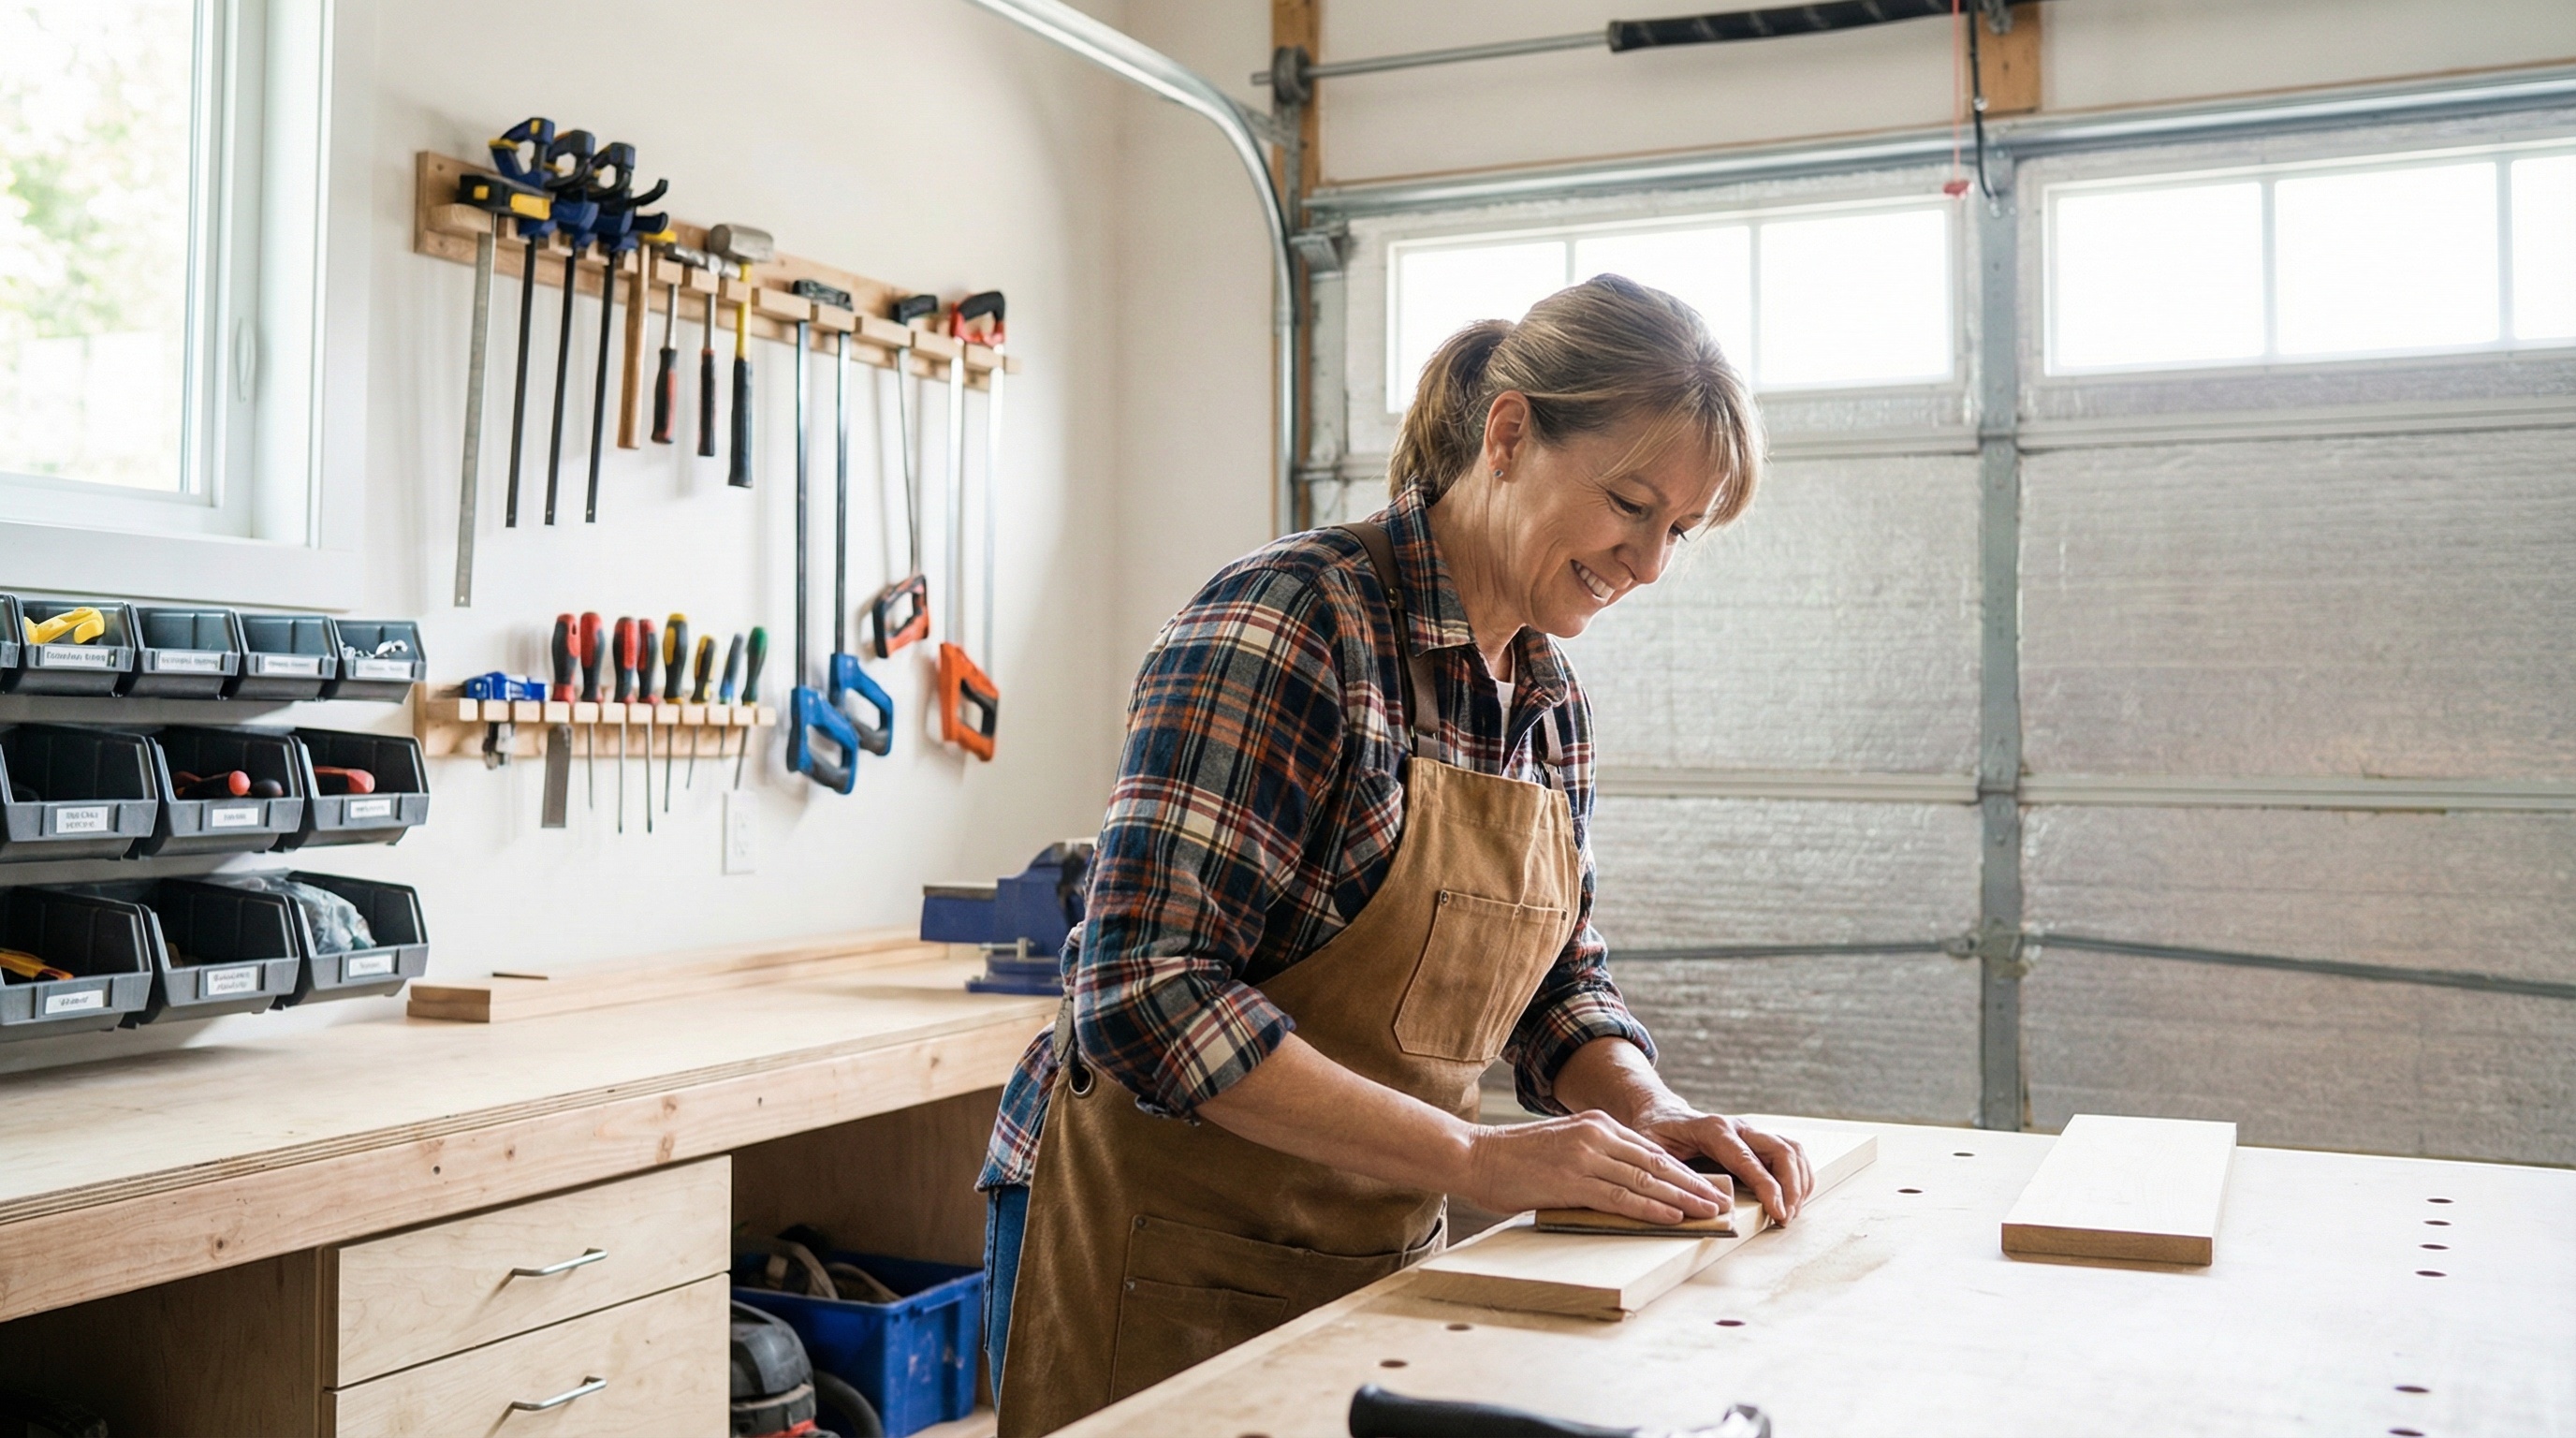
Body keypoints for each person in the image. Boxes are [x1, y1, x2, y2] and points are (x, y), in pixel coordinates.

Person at [978, 274, 1810, 1436]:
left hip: (1376, 1242)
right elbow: (1143, 992)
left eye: (1678, 532)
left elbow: (1559, 988)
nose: (1648, 564)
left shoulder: (1545, 698)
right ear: (1509, 433)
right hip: (1155, 1245)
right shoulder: (1292, 623)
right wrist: (1477, 1156)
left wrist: (1649, 1112)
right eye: (1630, 504)